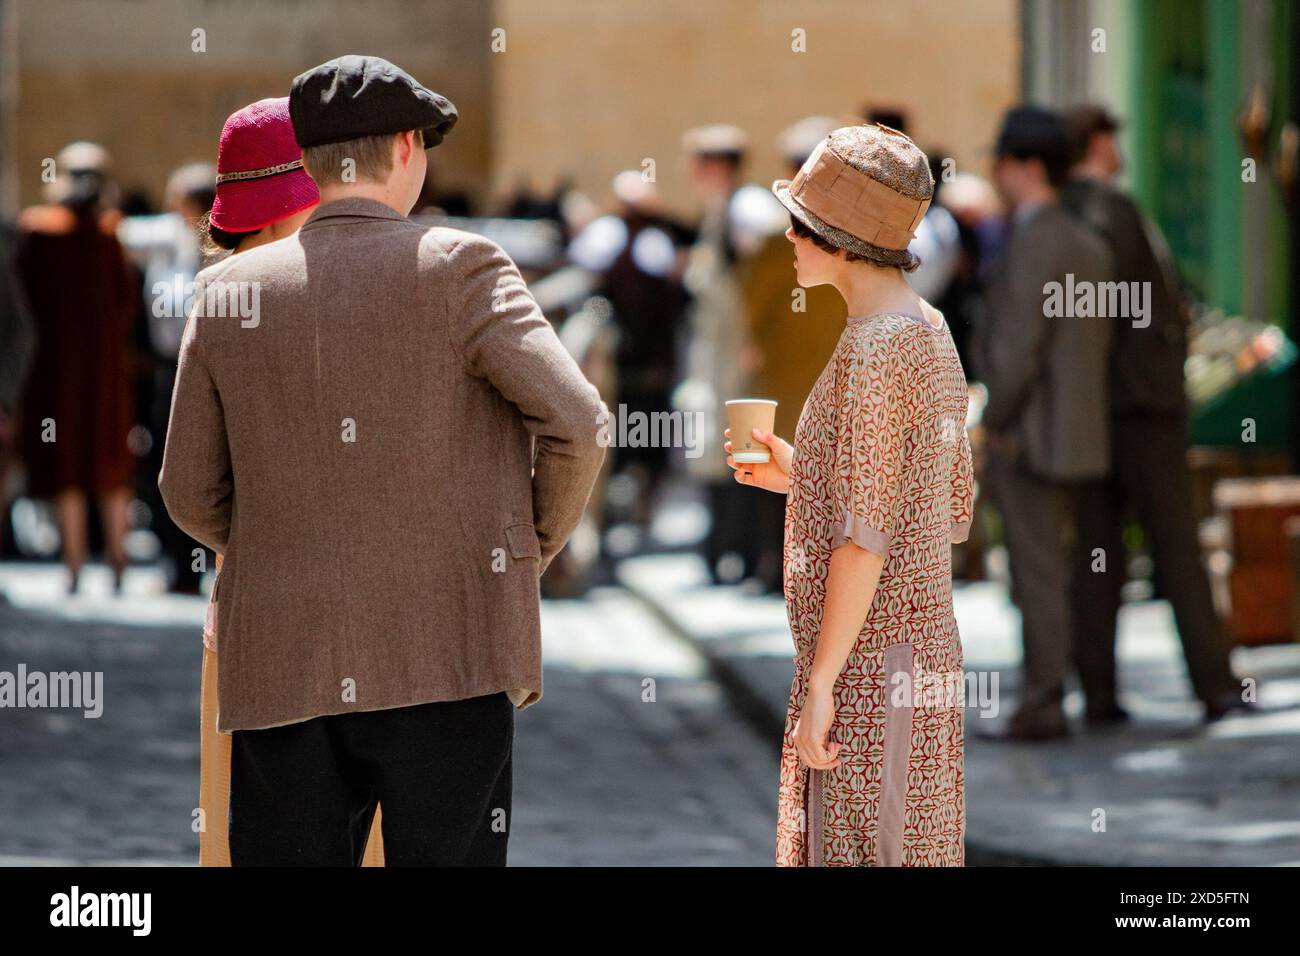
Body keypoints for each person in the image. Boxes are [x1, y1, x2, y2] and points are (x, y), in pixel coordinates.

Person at [159, 56, 606, 866]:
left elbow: (187, 488)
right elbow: (578, 422)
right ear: (407, 146)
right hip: (451, 648)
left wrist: (281, 538)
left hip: (283, 656)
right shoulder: (463, 267)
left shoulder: (226, 292)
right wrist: (519, 551)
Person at [730, 123, 973, 866]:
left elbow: (864, 541)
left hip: (874, 673)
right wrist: (805, 473)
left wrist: (824, 683)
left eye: (802, 225)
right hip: (924, 661)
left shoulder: (874, 347)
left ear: (841, 240)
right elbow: (947, 507)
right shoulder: (927, 326)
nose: (789, 238)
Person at [175, 97, 380, 867]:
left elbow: (190, 487)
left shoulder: (220, 297)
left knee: (250, 835)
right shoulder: (375, 286)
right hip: (382, 620)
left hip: (255, 613)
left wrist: (259, 542)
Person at [1061, 104, 1249, 723]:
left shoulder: (1080, 209)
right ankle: (1215, 685)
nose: (1121, 149)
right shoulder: (1101, 207)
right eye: (1113, 138)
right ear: (1094, 143)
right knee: (1173, 545)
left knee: (1099, 551)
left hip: (1109, 406)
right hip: (1137, 407)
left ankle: (1101, 693)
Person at [974, 106, 1114, 740]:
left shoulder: (1035, 239)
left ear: (1026, 166)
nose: (995, 174)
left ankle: (1045, 698)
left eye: (1001, 161)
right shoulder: (1085, 238)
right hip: (1078, 430)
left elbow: (1016, 351)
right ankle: (1069, 690)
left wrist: (990, 421)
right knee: (1067, 570)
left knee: (1037, 575)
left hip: (1031, 433)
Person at [15, 142, 138, 594]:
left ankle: (73, 566)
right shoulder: (109, 235)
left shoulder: (38, 232)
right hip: (104, 372)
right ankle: (118, 564)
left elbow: (23, 305)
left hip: (56, 371)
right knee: (109, 462)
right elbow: (125, 306)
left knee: (67, 462)